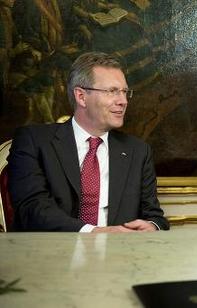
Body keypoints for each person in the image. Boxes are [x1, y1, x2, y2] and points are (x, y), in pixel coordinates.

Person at [7, 51, 169, 232]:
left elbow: (155, 216)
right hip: (50, 254)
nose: (123, 101)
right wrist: (93, 232)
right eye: (112, 91)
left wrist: (152, 226)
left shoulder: (138, 151)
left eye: (124, 92)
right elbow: (32, 209)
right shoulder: (33, 141)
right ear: (81, 96)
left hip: (120, 255)